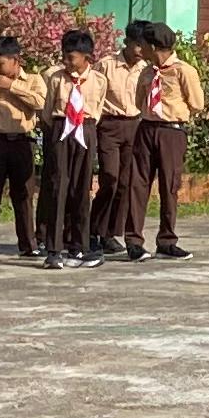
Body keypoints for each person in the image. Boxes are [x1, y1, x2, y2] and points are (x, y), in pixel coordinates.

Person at [42, 28, 107, 265]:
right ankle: (53, 248)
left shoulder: (99, 80)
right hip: (61, 128)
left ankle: (79, 245)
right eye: (64, 56)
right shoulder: (56, 78)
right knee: (58, 186)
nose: (67, 62)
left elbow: (98, 109)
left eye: (71, 57)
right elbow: (48, 110)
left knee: (82, 187)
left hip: (85, 129)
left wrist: (86, 127)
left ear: (86, 57)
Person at [138, 22, 202, 258]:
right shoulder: (146, 72)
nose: (140, 49)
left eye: (144, 45)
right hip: (146, 129)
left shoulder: (183, 71)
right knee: (138, 184)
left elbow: (197, 103)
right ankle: (134, 241)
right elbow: (138, 101)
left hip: (171, 131)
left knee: (169, 185)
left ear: (154, 47)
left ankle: (166, 241)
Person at [0, 36, 45, 260]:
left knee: (24, 195)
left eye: (0, 63)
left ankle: (28, 244)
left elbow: (40, 102)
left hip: (21, 141)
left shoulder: (33, 80)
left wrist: (12, 87)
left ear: (15, 60)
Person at [92, 25, 149, 260]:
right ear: (126, 42)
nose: (140, 50)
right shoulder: (106, 65)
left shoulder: (146, 69)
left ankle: (109, 234)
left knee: (126, 183)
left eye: (144, 46)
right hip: (109, 125)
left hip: (134, 126)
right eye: (137, 45)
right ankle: (93, 229)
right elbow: (94, 94)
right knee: (110, 178)